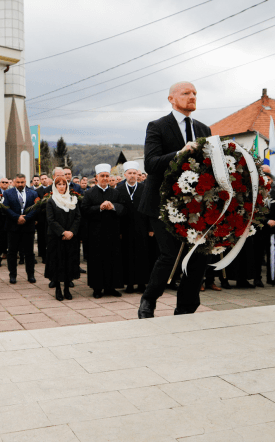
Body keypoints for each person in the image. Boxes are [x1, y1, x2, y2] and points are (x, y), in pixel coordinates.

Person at [138, 81, 213, 317]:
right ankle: (149, 300)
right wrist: (181, 152)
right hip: (162, 202)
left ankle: (186, 308)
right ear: (171, 99)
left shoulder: (204, 129)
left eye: (194, 94)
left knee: (198, 255)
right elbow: (151, 164)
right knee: (170, 255)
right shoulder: (158, 126)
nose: (192, 97)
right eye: (186, 93)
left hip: (195, 205)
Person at [82, 164, 126, 298]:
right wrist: (99, 208)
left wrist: (113, 206)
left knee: (113, 259)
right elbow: (84, 210)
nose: (105, 178)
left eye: (107, 176)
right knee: (97, 261)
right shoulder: (89, 193)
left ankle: (111, 287)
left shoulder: (115, 192)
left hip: (112, 232)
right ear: (96, 178)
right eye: (102, 176)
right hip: (96, 233)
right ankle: (97, 288)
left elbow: (123, 208)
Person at [116, 162, 152, 293]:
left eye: (134, 173)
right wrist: (119, 231)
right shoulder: (118, 190)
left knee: (142, 256)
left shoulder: (144, 189)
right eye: (129, 173)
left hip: (142, 228)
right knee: (127, 256)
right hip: (126, 229)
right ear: (124, 174)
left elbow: (149, 210)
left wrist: (150, 228)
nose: (132, 176)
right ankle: (129, 283)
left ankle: (142, 283)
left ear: (138, 174)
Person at [45, 176, 81, 300]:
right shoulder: (51, 200)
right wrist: (62, 232)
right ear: (55, 186)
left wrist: (71, 232)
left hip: (71, 238)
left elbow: (77, 217)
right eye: (58, 184)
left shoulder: (73, 199)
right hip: (56, 238)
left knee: (69, 263)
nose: (61, 186)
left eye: (63, 184)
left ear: (67, 186)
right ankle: (58, 289)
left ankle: (67, 289)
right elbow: (50, 219)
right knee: (57, 262)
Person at [3, 174, 39, 284]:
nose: (20, 184)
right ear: (14, 182)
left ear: (25, 181)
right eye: (18, 182)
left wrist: (26, 218)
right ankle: (12, 275)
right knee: (12, 252)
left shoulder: (33, 193)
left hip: (28, 226)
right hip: (13, 226)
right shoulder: (8, 193)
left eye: (22, 182)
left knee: (29, 252)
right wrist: (17, 217)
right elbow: (5, 208)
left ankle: (31, 275)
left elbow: (36, 208)